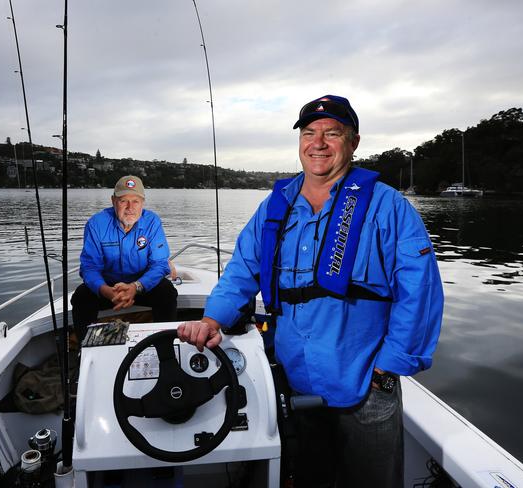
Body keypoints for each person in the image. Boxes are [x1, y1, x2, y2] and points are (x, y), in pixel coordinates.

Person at [177, 95, 443, 487]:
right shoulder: (275, 206)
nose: (318, 143)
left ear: (352, 142)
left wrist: (388, 369)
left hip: (366, 384)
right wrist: (212, 318)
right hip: (294, 380)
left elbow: (420, 292)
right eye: (309, 133)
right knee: (308, 477)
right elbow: (241, 271)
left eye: (331, 133)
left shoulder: (388, 206)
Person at [71, 175, 177, 341]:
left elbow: (159, 264)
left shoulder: (152, 222)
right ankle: (84, 353)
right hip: (108, 289)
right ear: (113, 201)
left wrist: (135, 287)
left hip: (141, 285)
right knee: (81, 297)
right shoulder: (96, 224)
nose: (130, 207)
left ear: (143, 202)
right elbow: (89, 267)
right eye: (123, 201)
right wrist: (107, 291)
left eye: (135, 201)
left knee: (167, 292)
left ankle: (166, 349)